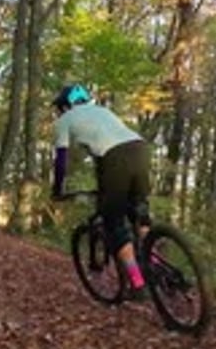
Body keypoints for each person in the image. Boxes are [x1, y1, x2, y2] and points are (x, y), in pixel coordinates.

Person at [52, 83, 151, 300]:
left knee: (114, 223)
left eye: (59, 108)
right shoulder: (104, 112)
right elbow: (109, 149)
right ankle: (155, 265)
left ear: (66, 106)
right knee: (140, 212)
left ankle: (137, 282)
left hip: (115, 159)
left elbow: (60, 161)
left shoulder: (64, 121)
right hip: (140, 149)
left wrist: (58, 189)